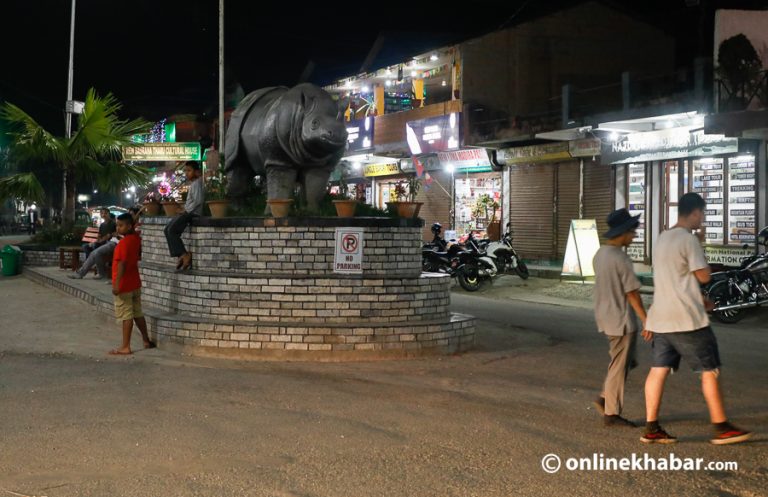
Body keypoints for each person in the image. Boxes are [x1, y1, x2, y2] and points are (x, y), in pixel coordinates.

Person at [642, 193, 752, 445]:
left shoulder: (662, 238)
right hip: (687, 321)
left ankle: (651, 428)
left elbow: (675, 280)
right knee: (709, 370)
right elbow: (703, 276)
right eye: (702, 213)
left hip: (661, 318)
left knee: (658, 371)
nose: (702, 219)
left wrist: (702, 300)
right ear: (693, 212)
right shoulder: (688, 240)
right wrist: (699, 245)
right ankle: (721, 426)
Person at [592, 208, 649, 428]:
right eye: (633, 231)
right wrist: (646, 319)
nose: (634, 236)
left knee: (624, 361)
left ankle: (606, 397)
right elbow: (632, 293)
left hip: (605, 317)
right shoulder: (620, 258)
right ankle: (611, 412)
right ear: (623, 232)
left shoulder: (600, 254)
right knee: (620, 364)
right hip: (621, 319)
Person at [109, 213, 155, 355]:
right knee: (137, 313)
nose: (118, 228)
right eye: (117, 225)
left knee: (126, 315)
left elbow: (122, 264)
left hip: (124, 285)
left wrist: (116, 284)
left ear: (129, 226)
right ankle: (146, 340)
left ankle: (125, 346)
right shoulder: (135, 239)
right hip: (135, 283)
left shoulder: (123, 243)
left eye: (121, 225)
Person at [164, 161, 204, 271]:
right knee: (167, 229)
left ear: (197, 172)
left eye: (189, 170)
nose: (186, 173)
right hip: (188, 212)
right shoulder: (194, 184)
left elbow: (198, 201)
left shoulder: (197, 183)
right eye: (185, 171)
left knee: (171, 230)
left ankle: (185, 254)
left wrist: (185, 210)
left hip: (192, 214)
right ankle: (181, 255)